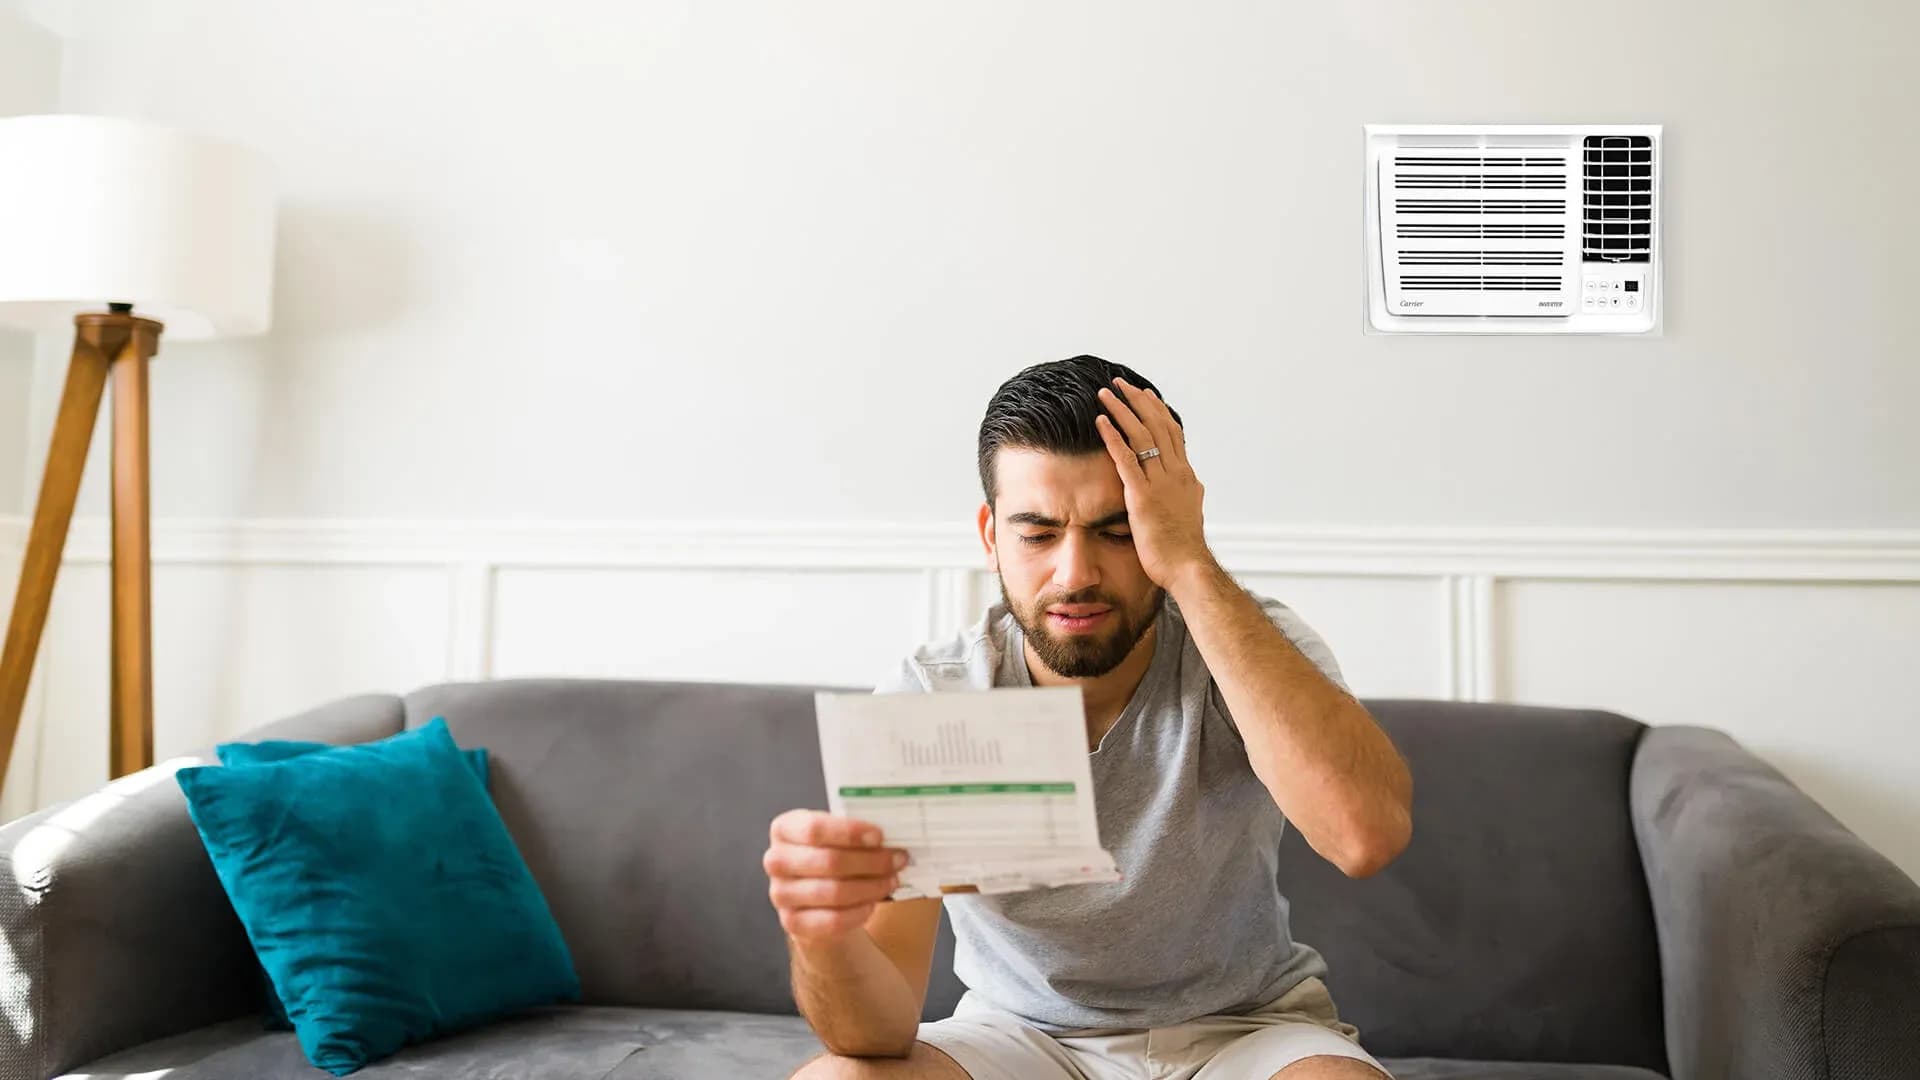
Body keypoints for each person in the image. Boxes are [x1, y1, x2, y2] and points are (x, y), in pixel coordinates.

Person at [767, 355, 1412, 1079]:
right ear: (991, 538)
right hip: (1020, 1038)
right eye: (1037, 534)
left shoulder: (1251, 645)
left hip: (1246, 1030)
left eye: (1118, 530)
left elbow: (1365, 837)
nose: (1074, 573)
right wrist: (820, 934)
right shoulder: (936, 698)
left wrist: (1190, 564)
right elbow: (879, 1035)